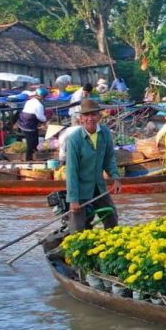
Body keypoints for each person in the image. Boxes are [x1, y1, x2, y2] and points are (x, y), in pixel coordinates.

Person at [64, 99, 121, 233]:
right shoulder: (74, 139)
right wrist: (73, 199)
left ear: (99, 116)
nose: (90, 118)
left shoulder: (105, 133)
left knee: (112, 218)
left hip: (99, 186)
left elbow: (109, 159)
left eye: (94, 114)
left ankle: (111, 246)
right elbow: (71, 171)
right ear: (81, 119)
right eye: (86, 115)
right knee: (77, 228)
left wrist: (116, 177)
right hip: (80, 189)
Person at [18, 87, 48, 161]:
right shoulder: (39, 105)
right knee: (30, 143)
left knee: (35, 140)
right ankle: (28, 159)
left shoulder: (30, 101)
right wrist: (46, 119)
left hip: (23, 121)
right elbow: (40, 117)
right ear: (42, 96)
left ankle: (35, 154)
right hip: (28, 124)